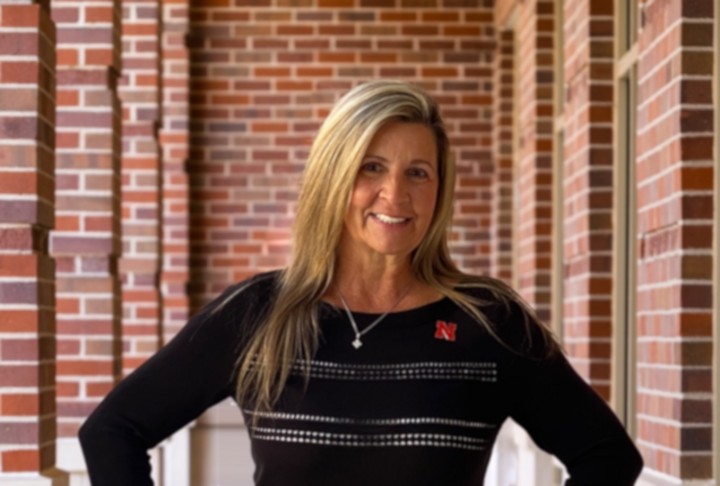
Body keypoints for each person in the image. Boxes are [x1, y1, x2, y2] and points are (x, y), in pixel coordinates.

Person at [79, 80, 643, 485]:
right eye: (371, 167)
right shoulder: (259, 315)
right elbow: (112, 432)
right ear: (333, 176)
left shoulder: (487, 322)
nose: (395, 195)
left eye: (417, 173)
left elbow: (608, 458)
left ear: (439, 190)